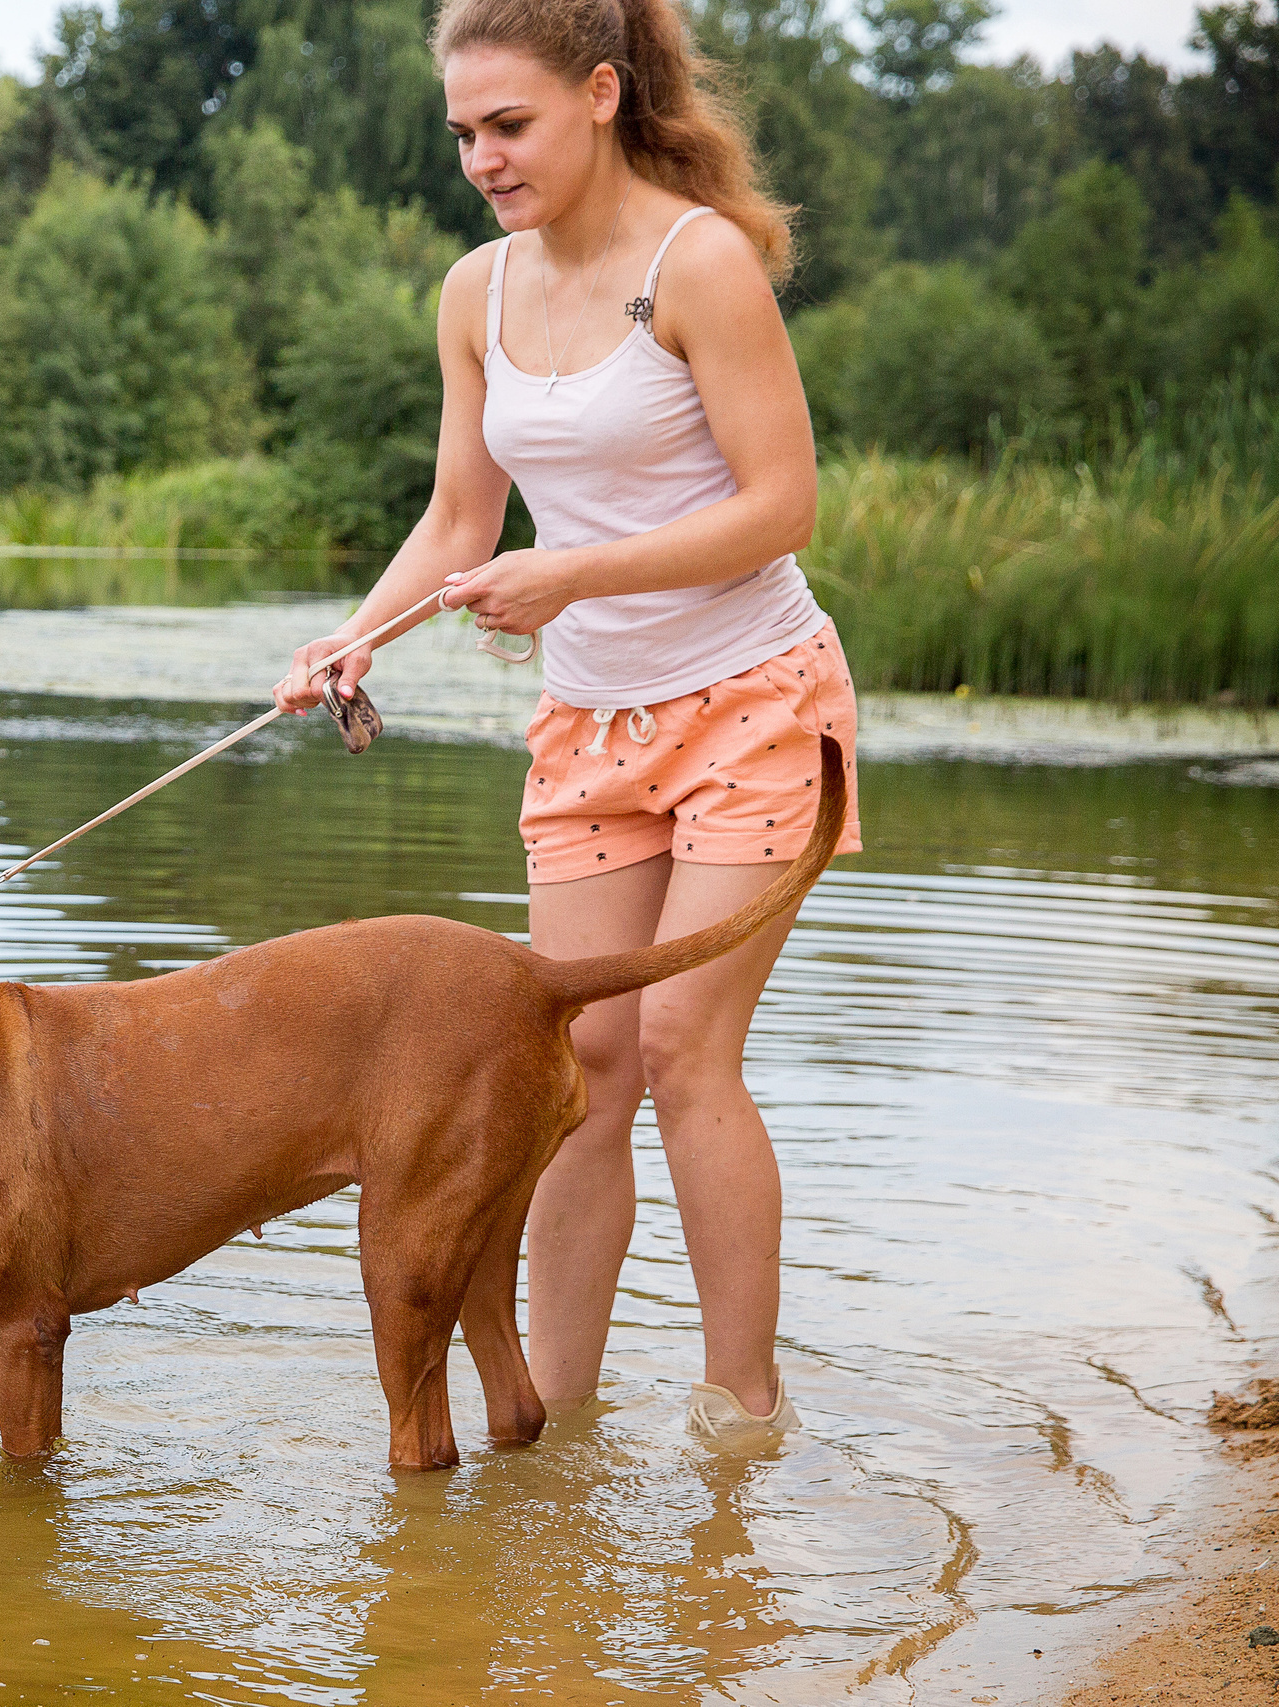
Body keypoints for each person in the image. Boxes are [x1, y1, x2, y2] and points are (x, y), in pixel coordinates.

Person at [271, 0, 861, 1445]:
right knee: (577, 1064)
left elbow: (782, 505)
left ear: (601, 94)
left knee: (677, 1051)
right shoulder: (474, 292)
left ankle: (744, 1408)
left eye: (510, 124)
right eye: (464, 131)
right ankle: (563, 1418)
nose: (481, 156)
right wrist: (358, 634)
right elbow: (461, 518)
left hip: (752, 704)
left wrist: (574, 572)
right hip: (591, 725)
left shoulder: (699, 264)